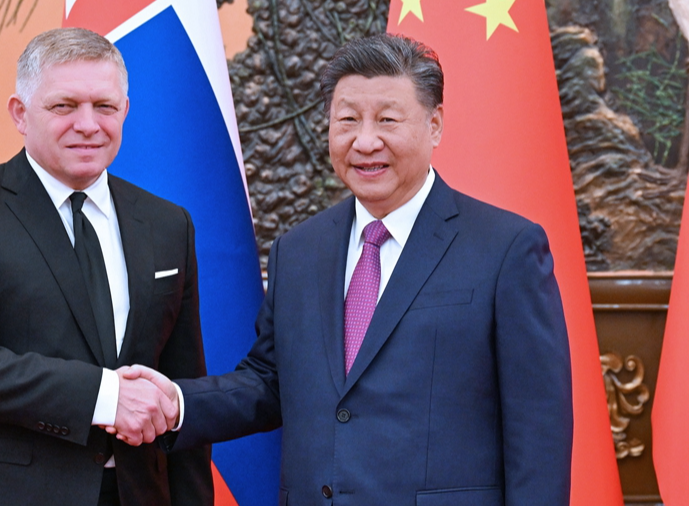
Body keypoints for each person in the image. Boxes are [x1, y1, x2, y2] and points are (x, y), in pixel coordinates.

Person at [124, 33, 574, 505]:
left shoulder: (506, 248)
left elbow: (538, 427)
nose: (365, 141)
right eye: (348, 120)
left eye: (387, 120)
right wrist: (176, 404)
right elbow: (270, 381)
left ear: (435, 124)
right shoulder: (299, 250)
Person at [0, 28, 212, 506]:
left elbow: (180, 385)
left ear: (125, 111)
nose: (88, 125)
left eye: (104, 106)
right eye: (64, 106)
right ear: (20, 114)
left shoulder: (169, 223)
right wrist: (104, 396)